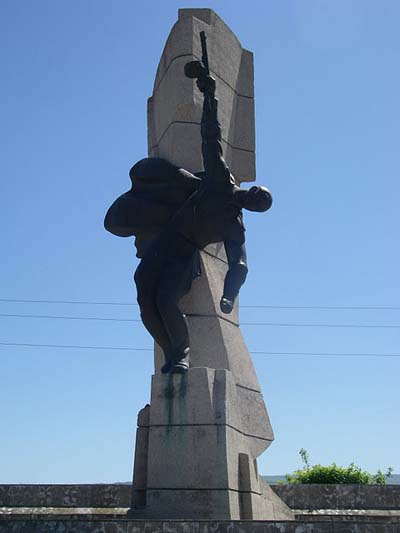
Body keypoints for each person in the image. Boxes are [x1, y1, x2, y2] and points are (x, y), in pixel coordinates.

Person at [105, 71, 272, 374]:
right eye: (257, 195)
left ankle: (180, 354)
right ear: (253, 189)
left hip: (184, 254)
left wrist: (228, 294)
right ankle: (170, 350)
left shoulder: (234, 225)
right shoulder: (220, 180)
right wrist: (209, 93)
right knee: (145, 295)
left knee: (166, 298)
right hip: (166, 238)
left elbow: (240, 264)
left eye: (257, 205)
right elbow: (211, 135)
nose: (253, 200)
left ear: (254, 210)